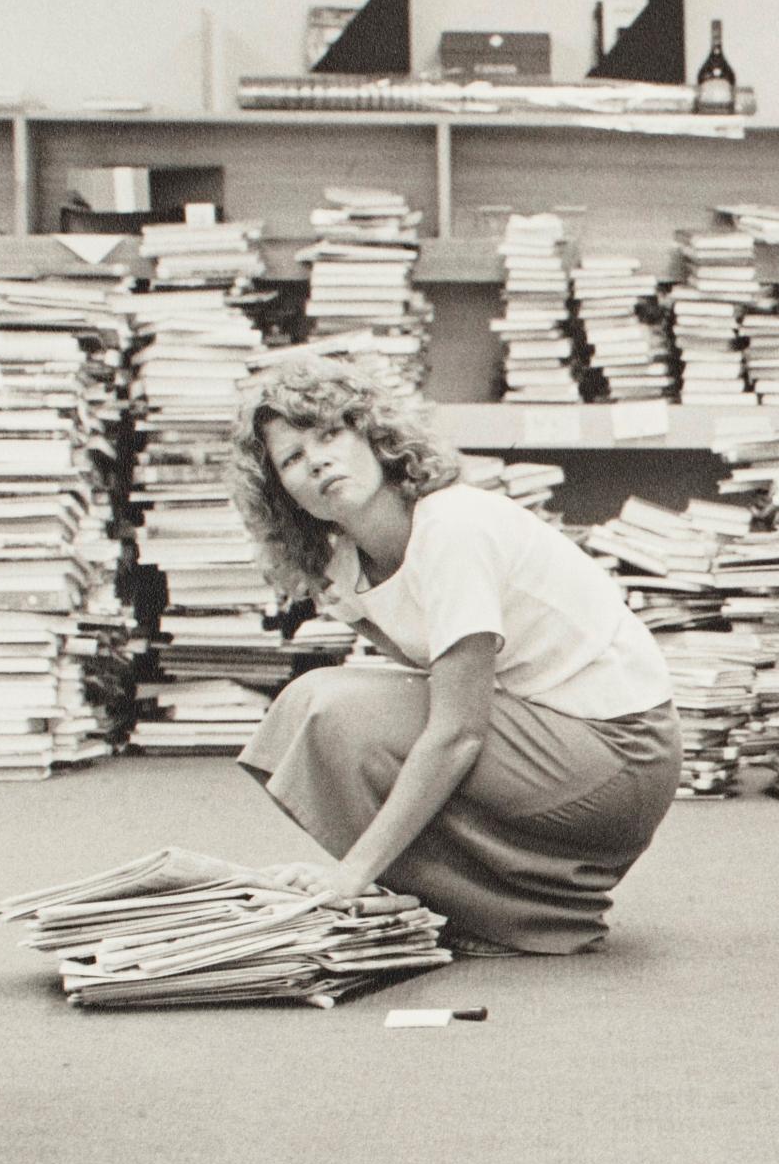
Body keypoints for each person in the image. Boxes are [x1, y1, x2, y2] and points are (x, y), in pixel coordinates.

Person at [227, 359, 678, 955]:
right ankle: (482, 910)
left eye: (330, 433)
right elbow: (426, 675)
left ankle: (523, 914)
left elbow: (458, 733)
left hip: (622, 756)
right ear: (283, 493)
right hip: (545, 735)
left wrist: (350, 874)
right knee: (311, 714)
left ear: (373, 435)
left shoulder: (451, 527)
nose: (316, 460)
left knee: (333, 711)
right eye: (291, 458)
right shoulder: (341, 565)